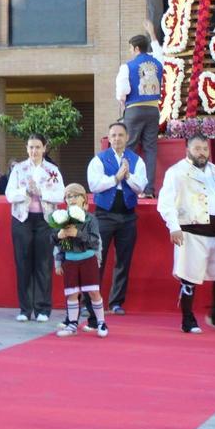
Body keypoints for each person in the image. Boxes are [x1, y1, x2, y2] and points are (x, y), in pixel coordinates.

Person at [157, 135, 215, 333]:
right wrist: (173, 226)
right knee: (189, 277)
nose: (202, 152)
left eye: (204, 148)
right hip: (191, 231)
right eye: (197, 148)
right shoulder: (176, 172)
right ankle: (188, 319)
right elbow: (165, 202)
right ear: (187, 150)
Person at [86, 122, 147, 318]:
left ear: (127, 137)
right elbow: (94, 185)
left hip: (128, 215)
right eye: (113, 135)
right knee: (97, 259)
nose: (117, 138)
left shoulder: (137, 161)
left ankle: (116, 302)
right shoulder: (99, 159)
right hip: (104, 214)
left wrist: (127, 175)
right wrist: (115, 178)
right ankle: (90, 304)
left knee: (123, 260)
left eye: (121, 135)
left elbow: (141, 186)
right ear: (108, 137)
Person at [5, 134, 65, 323]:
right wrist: (25, 192)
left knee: (43, 264)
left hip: (45, 221)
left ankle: (43, 309)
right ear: (26, 148)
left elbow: (60, 195)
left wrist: (42, 193)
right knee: (23, 264)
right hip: (22, 220)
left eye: (38, 147)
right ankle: (25, 309)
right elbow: (8, 195)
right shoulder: (18, 169)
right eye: (31, 147)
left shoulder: (52, 170)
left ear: (44, 148)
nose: (34, 151)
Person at [51, 184, 106, 338]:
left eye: (76, 196)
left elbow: (95, 242)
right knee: (72, 293)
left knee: (94, 292)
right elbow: (57, 243)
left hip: (88, 259)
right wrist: (58, 238)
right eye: (69, 196)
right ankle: (72, 324)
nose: (72, 199)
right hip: (70, 261)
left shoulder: (90, 219)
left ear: (84, 200)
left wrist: (78, 234)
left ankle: (101, 322)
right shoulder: (62, 219)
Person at [115, 33, 163, 195]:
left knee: (128, 147)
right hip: (153, 109)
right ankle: (149, 189)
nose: (130, 51)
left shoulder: (127, 66)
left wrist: (122, 101)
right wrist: (153, 35)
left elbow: (123, 91)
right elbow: (159, 52)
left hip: (134, 109)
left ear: (136, 48)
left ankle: (127, 185)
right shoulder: (158, 62)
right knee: (150, 149)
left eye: (130, 48)